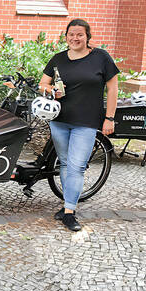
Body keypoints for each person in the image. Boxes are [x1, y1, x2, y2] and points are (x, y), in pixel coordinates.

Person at [39, 19, 119, 232]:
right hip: (60, 120)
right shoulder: (58, 59)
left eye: (80, 35)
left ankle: (69, 213)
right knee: (65, 163)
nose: (75, 38)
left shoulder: (101, 58)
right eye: (71, 34)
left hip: (87, 121)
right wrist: (50, 91)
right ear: (66, 37)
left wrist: (109, 118)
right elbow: (42, 84)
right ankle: (68, 205)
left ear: (87, 37)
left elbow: (112, 89)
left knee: (76, 166)